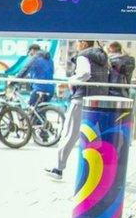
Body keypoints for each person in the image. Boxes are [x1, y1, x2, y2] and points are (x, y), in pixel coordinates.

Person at [45, 39, 109, 181]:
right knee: (94, 135)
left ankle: (58, 168)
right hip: (98, 99)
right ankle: (97, 172)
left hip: (82, 98)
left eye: (78, 42)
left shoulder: (83, 56)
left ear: (84, 43)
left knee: (69, 133)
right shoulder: (102, 57)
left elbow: (84, 74)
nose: (76, 44)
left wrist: (70, 81)